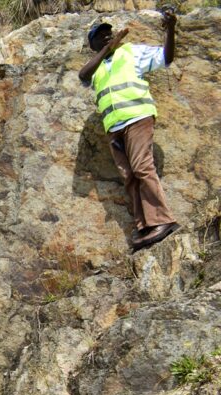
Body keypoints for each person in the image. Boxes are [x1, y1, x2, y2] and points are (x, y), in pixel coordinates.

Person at [79, 10, 180, 252]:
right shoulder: (97, 67)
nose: (106, 37)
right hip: (115, 127)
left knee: (142, 167)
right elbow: (82, 75)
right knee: (130, 177)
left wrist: (170, 30)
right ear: (92, 44)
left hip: (137, 118)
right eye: (99, 36)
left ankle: (163, 220)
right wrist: (107, 49)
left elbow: (165, 58)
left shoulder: (130, 51)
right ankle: (144, 225)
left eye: (108, 34)